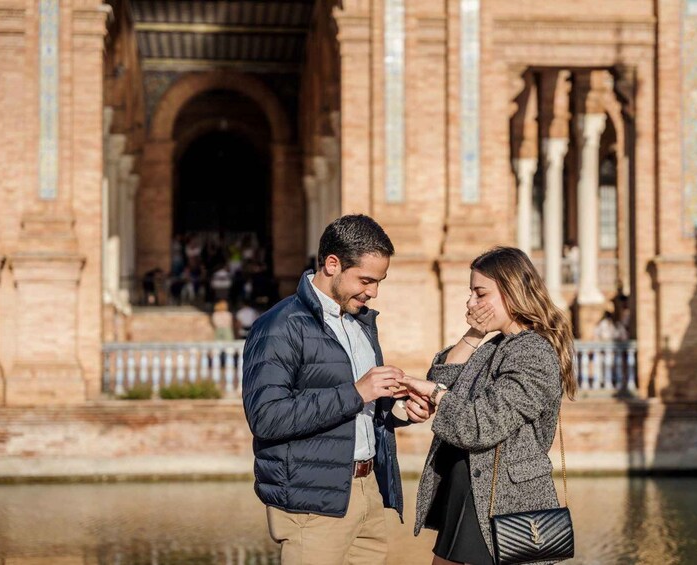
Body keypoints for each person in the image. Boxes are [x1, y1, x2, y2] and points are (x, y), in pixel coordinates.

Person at [241, 214, 432, 565]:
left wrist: (399, 410)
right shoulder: (279, 326)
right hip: (311, 505)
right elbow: (267, 418)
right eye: (365, 279)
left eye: (379, 281)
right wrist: (357, 392)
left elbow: (361, 408)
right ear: (332, 264)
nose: (373, 291)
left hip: (367, 492)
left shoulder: (360, 322)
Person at [397, 246, 577, 565]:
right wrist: (474, 332)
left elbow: (485, 425)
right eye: (471, 293)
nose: (470, 303)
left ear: (512, 292)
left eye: (480, 293)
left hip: (504, 502)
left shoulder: (533, 353)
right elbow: (443, 378)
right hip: (468, 492)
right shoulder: (492, 347)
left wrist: (436, 395)